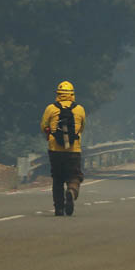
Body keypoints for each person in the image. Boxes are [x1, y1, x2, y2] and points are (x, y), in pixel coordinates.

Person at [41, 80, 86, 216]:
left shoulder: (51, 108)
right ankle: (71, 191)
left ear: (58, 94)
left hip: (55, 150)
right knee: (74, 176)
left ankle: (59, 208)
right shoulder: (79, 109)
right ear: (72, 94)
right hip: (73, 150)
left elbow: (44, 126)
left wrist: (51, 135)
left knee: (58, 179)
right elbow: (82, 128)